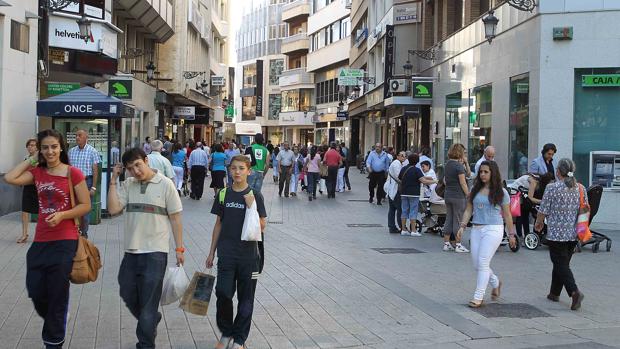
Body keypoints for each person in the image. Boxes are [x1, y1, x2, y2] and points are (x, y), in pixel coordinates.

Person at [5, 129, 91, 349]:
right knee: (35, 288)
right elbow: (10, 177)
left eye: (54, 146)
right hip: (41, 239)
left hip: (66, 239)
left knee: (56, 291)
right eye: (45, 147)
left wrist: (63, 214)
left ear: (61, 147)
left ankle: (54, 340)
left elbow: (85, 205)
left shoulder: (73, 173)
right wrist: (33, 159)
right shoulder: (37, 173)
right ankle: (59, 315)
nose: (50, 151)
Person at [107, 148, 184, 349]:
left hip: (155, 253)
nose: (136, 171)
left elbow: (175, 218)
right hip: (131, 251)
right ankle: (150, 319)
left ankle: (145, 344)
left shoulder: (166, 184)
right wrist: (113, 180)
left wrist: (179, 248)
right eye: (131, 169)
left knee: (149, 304)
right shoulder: (128, 184)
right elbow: (114, 209)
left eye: (138, 165)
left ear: (146, 160)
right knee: (126, 291)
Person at [206, 155, 267, 349]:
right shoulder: (223, 194)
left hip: (249, 257)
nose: (237, 172)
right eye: (233, 168)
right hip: (226, 254)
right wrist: (211, 253)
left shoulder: (255, 195)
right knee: (223, 293)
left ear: (249, 171)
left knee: (246, 299)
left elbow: (262, 225)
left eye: (241, 168)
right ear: (229, 170)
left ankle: (239, 339)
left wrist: (251, 207)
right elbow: (218, 225)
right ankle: (226, 332)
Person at [456, 161, 516, 308]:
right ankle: (495, 282)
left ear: (492, 173)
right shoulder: (474, 190)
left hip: (493, 229)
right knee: (477, 264)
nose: (482, 174)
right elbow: (469, 210)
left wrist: (512, 234)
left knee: (483, 262)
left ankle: (478, 297)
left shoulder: (501, 192)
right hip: (476, 229)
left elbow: (508, 215)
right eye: (481, 172)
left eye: (486, 172)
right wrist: (462, 226)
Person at [535, 158, 585, 310]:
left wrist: (539, 222)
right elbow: (584, 210)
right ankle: (554, 293)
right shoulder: (580, 188)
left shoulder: (552, 188)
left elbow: (543, 209)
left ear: (558, 171)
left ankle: (574, 292)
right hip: (573, 234)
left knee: (560, 264)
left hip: (556, 235)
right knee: (562, 264)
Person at [68, 129, 100, 239]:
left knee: (85, 209)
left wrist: (94, 187)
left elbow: (95, 170)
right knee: (73, 207)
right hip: (73, 183)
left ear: (86, 137)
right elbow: (68, 168)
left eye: (80, 135)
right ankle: (74, 231)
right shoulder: (71, 151)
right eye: (76, 135)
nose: (77, 137)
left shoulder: (92, 151)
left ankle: (84, 232)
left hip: (87, 182)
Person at [399, 153, 437, 236]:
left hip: (404, 192)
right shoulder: (417, 170)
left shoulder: (403, 169)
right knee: (413, 211)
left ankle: (403, 229)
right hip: (414, 193)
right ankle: (413, 230)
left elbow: (399, 178)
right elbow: (424, 181)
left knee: (404, 210)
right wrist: (435, 181)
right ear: (417, 161)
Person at [508, 172, 554, 237]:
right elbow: (530, 198)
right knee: (520, 215)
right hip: (515, 193)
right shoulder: (534, 182)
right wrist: (543, 201)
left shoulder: (537, 179)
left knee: (525, 214)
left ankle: (526, 235)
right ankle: (520, 236)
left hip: (521, 192)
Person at [443, 143, 470, 253]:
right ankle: (458, 244)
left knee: (449, 218)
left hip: (448, 194)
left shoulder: (448, 164)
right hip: (458, 196)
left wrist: (466, 163)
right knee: (458, 220)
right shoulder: (458, 166)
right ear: (460, 152)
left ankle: (446, 243)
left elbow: (445, 180)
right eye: (463, 152)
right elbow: (463, 182)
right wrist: (468, 194)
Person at [18, 138, 39, 243]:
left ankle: (42, 235)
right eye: (29, 145)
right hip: (27, 186)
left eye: (33, 145)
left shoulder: (40, 159)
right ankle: (24, 234)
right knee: (25, 210)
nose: (31, 147)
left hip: (38, 187)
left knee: (41, 211)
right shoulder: (26, 158)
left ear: (37, 147)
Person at [385, 151, 405, 234]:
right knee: (399, 208)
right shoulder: (396, 163)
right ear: (397, 156)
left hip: (392, 189)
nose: (404, 157)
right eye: (402, 155)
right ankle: (401, 226)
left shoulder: (397, 163)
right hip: (395, 189)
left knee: (392, 209)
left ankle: (392, 226)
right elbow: (398, 176)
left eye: (405, 156)